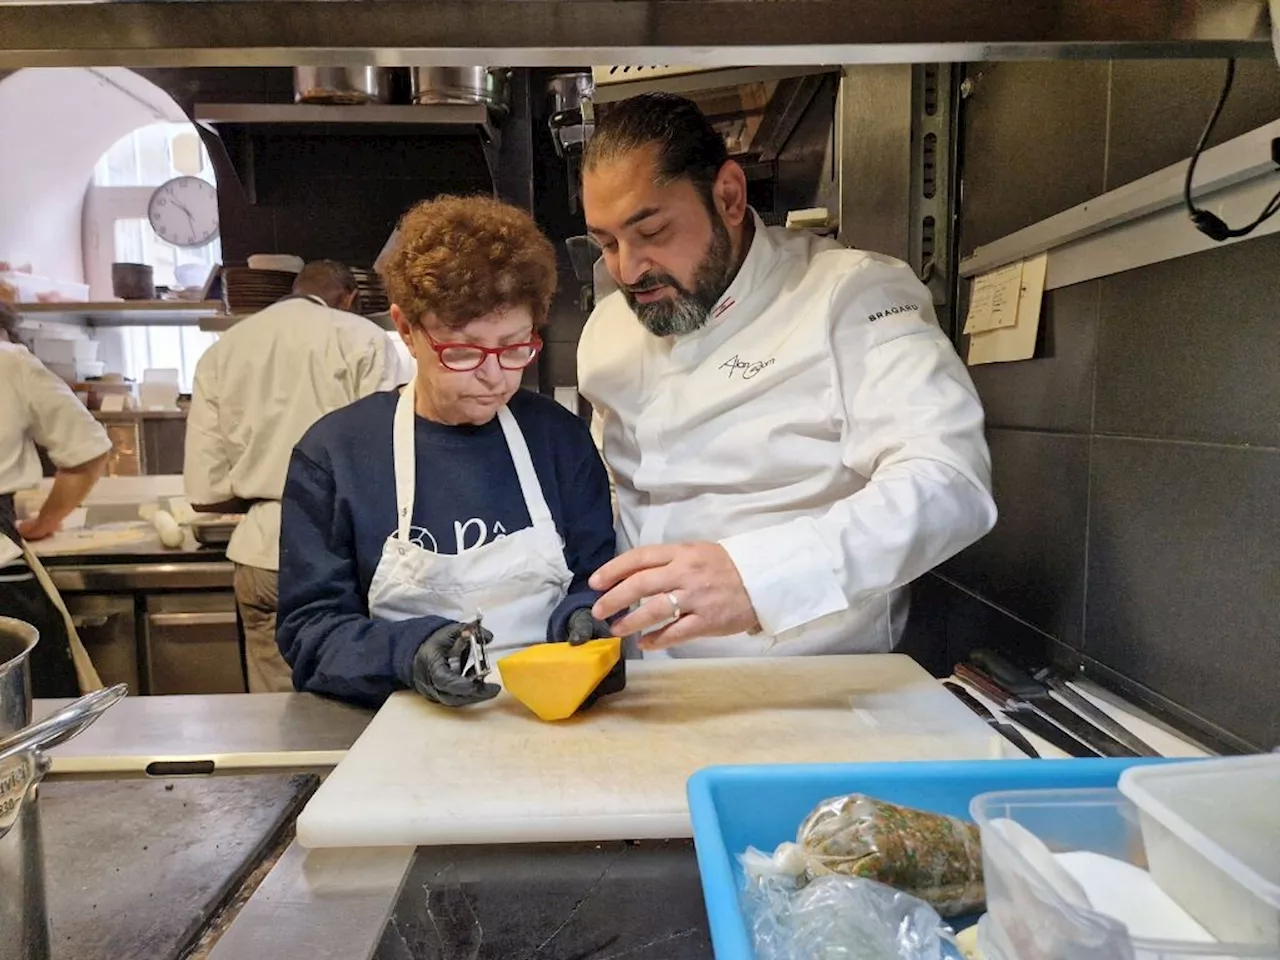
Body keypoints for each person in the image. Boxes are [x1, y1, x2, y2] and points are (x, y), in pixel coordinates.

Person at [576, 92, 997, 658]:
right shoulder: (607, 330)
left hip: (814, 686)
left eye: (651, 233)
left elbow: (949, 483)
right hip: (646, 683)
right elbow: (612, 489)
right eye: (607, 244)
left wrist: (759, 577)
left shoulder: (849, 295)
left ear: (727, 195)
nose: (628, 270)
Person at [276, 196, 621, 709]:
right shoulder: (336, 456)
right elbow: (310, 632)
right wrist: (405, 652)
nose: (494, 375)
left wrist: (589, 614)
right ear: (407, 330)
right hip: (400, 732)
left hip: (550, 723)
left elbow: (595, 581)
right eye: (462, 351)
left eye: (514, 347)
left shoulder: (559, 441)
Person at [184, 260, 403, 693]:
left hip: (263, 552)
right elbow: (388, 456)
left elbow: (205, 492)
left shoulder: (223, 350)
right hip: (345, 555)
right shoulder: (361, 337)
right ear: (350, 299)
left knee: (279, 713)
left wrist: (267, 488)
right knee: (353, 703)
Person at [0, 302, 112, 696]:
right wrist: (43, 524)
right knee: (21, 726)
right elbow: (88, 453)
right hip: (3, 580)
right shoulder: (10, 362)